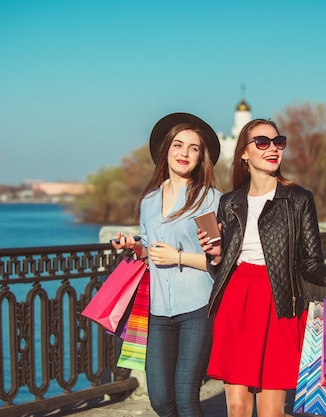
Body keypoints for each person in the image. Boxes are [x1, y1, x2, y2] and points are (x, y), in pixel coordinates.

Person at [198, 118, 326, 417]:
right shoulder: (229, 202)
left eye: (278, 142)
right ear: (244, 153)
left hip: (279, 304)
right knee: (236, 407)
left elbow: (310, 261)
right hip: (235, 301)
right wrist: (216, 256)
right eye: (262, 142)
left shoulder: (298, 199)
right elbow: (220, 268)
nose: (272, 148)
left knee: (271, 410)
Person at [112, 112, 222, 417]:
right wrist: (133, 247)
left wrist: (179, 258)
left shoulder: (209, 199)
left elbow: (219, 259)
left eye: (194, 148)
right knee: (160, 399)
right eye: (178, 145)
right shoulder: (149, 201)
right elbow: (148, 249)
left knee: (186, 396)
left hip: (197, 309)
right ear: (166, 150)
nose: (185, 153)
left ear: (202, 158)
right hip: (158, 311)